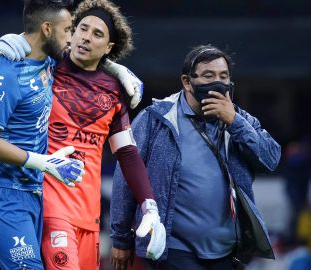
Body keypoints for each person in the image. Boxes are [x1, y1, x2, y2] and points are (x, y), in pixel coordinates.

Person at [0, 1, 166, 269]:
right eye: (80, 28)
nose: (85, 36)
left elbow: (127, 152)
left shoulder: (115, 90)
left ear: (108, 48)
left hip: (89, 216)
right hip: (49, 205)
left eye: (97, 34)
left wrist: (149, 204)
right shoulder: (46, 67)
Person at [110, 45, 281, 270]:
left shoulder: (239, 120)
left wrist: (235, 122)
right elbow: (125, 178)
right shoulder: (156, 119)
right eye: (208, 76)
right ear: (187, 81)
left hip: (226, 250)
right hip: (173, 248)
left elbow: (271, 160)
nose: (217, 82)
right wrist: (121, 237)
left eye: (223, 76)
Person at [0, 0, 85, 269]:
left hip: (31, 194)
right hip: (2, 195)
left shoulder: (46, 62)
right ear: (47, 29)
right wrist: (43, 162)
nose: (71, 38)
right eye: (68, 30)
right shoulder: (6, 73)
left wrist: (120, 71)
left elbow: (86, 60)